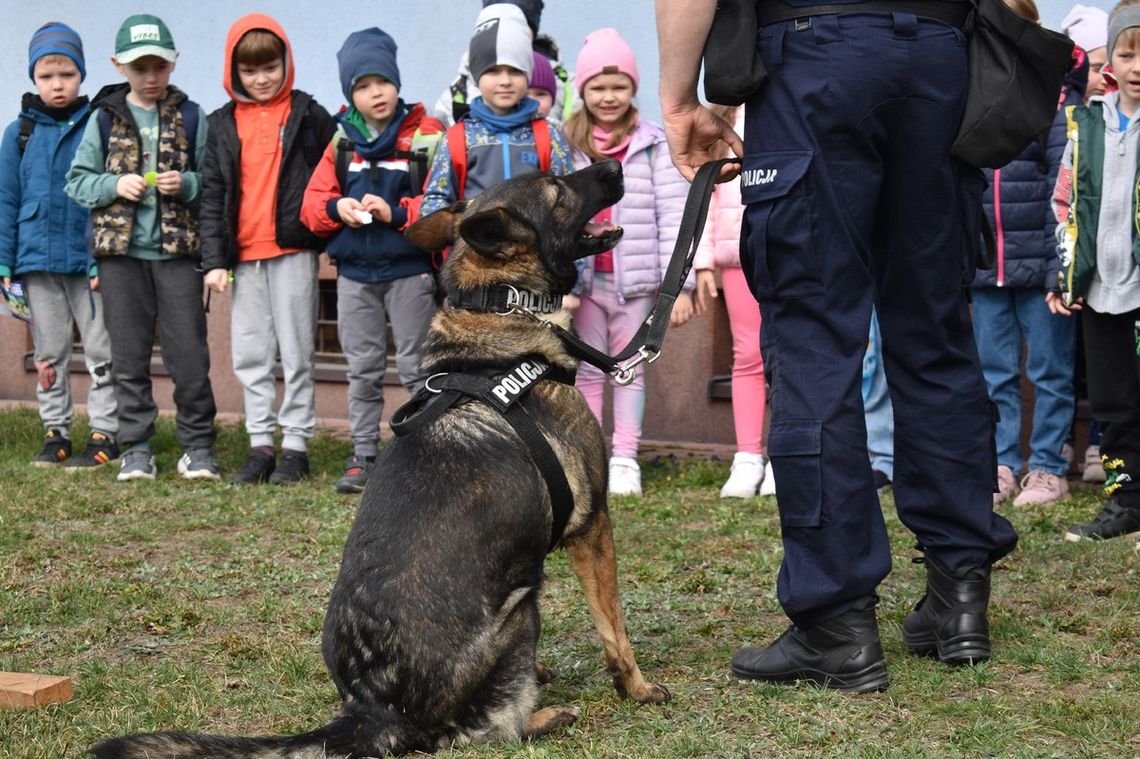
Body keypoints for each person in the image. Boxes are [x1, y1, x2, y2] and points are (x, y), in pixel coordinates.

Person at [656, 0, 1018, 690]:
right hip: (941, 51)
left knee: (813, 332)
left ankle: (837, 622)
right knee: (935, 328)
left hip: (816, 51)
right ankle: (959, 595)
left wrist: (678, 97)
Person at [65, 13, 218, 482]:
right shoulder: (103, 119)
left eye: (159, 67)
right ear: (119, 66)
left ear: (173, 64)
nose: (150, 77)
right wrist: (115, 184)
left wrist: (187, 183)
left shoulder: (193, 116)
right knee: (128, 356)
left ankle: (197, 446)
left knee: (189, 356)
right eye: (139, 68)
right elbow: (77, 181)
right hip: (121, 259)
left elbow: (213, 182)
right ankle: (136, 446)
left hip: (178, 257)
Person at [301, 27, 444, 494]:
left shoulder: (426, 136)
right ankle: (363, 454)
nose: (374, 93)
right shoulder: (341, 142)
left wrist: (398, 212)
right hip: (356, 277)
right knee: (361, 369)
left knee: (416, 368)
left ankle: (425, 455)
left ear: (396, 82)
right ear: (350, 94)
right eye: (362, 86)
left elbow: (443, 206)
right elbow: (311, 207)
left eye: (381, 81)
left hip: (410, 273)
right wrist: (337, 208)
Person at [200, 14, 336, 486]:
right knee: (251, 353)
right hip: (243, 257)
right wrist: (214, 261)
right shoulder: (221, 124)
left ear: (286, 63)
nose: (261, 79)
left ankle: (295, 446)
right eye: (250, 71)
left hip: (293, 251)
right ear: (234, 72)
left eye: (270, 67)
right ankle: (260, 445)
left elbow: (330, 175)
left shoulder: (308, 113)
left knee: (297, 350)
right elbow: (212, 194)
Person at [563, 27, 692, 497]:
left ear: (633, 89)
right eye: (598, 87)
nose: (609, 96)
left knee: (630, 369)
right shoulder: (570, 146)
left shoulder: (653, 143)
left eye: (618, 87)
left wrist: (681, 286)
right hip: (586, 283)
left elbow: (675, 215)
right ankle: (594, 453)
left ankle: (625, 458)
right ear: (582, 91)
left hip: (637, 284)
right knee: (590, 371)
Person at [971, 0, 1082, 508]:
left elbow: (1062, 189)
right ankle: (1002, 463)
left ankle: (1048, 467)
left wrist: (1061, 268)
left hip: (1041, 269)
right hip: (986, 268)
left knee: (1050, 371)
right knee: (994, 373)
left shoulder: (1052, 102)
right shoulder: (970, 94)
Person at [0, 22, 119, 469]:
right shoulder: (19, 133)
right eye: (47, 76)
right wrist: (4, 260)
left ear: (81, 75)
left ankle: (105, 429)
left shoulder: (97, 123)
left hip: (88, 258)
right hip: (36, 262)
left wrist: (99, 255)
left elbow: (105, 192)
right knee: (49, 352)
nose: (57, 84)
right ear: (34, 78)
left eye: (66, 74)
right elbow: (6, 196)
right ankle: (56, 432)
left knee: (100, 349)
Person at [1049, 0, 1140, 544]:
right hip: (1102, 289)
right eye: (1128, 53)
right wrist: (1067, 273)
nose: (1137, 66)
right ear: (1113, 62)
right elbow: (1064, 200)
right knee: (1112, 401)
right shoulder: (1088, 124)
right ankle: (1125, 500)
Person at [419, 3, 573, 219]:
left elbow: (569, 200)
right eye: (493, 71)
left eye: (515, 71)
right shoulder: (457, 138)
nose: (505, 81)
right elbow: (435, 200)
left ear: (527, 75)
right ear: (476, 75)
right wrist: (459, 232)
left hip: (534, 252)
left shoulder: (549, 136)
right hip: (476, 250)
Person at [693, 104, 767, 498]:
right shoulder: (719, 119)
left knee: (791, 353)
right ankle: (748, 456)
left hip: (791, 251)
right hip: (737, 256)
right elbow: (706, 195)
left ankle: (786, 456)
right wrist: (703, 263)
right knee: (749, 353)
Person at [1061, 2, 1110, 484]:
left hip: (1114, 265)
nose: (1103, 77)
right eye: (1094, 68)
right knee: (1077, 360)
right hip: (1079, 262)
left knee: (1108, 366)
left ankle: (1101, 442)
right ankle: (1078, 442)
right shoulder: (1069, 122)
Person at [432, 0, 577, 127]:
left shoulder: (564, 82)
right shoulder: (461, 86)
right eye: (493, 71)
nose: (505, 81)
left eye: (518, 25)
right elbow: (440, 127)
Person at [527, 51, 557, 119]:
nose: (532, 103)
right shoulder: (499, 128)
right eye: (523, 95)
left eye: (540, 94)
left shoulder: (555, 129)